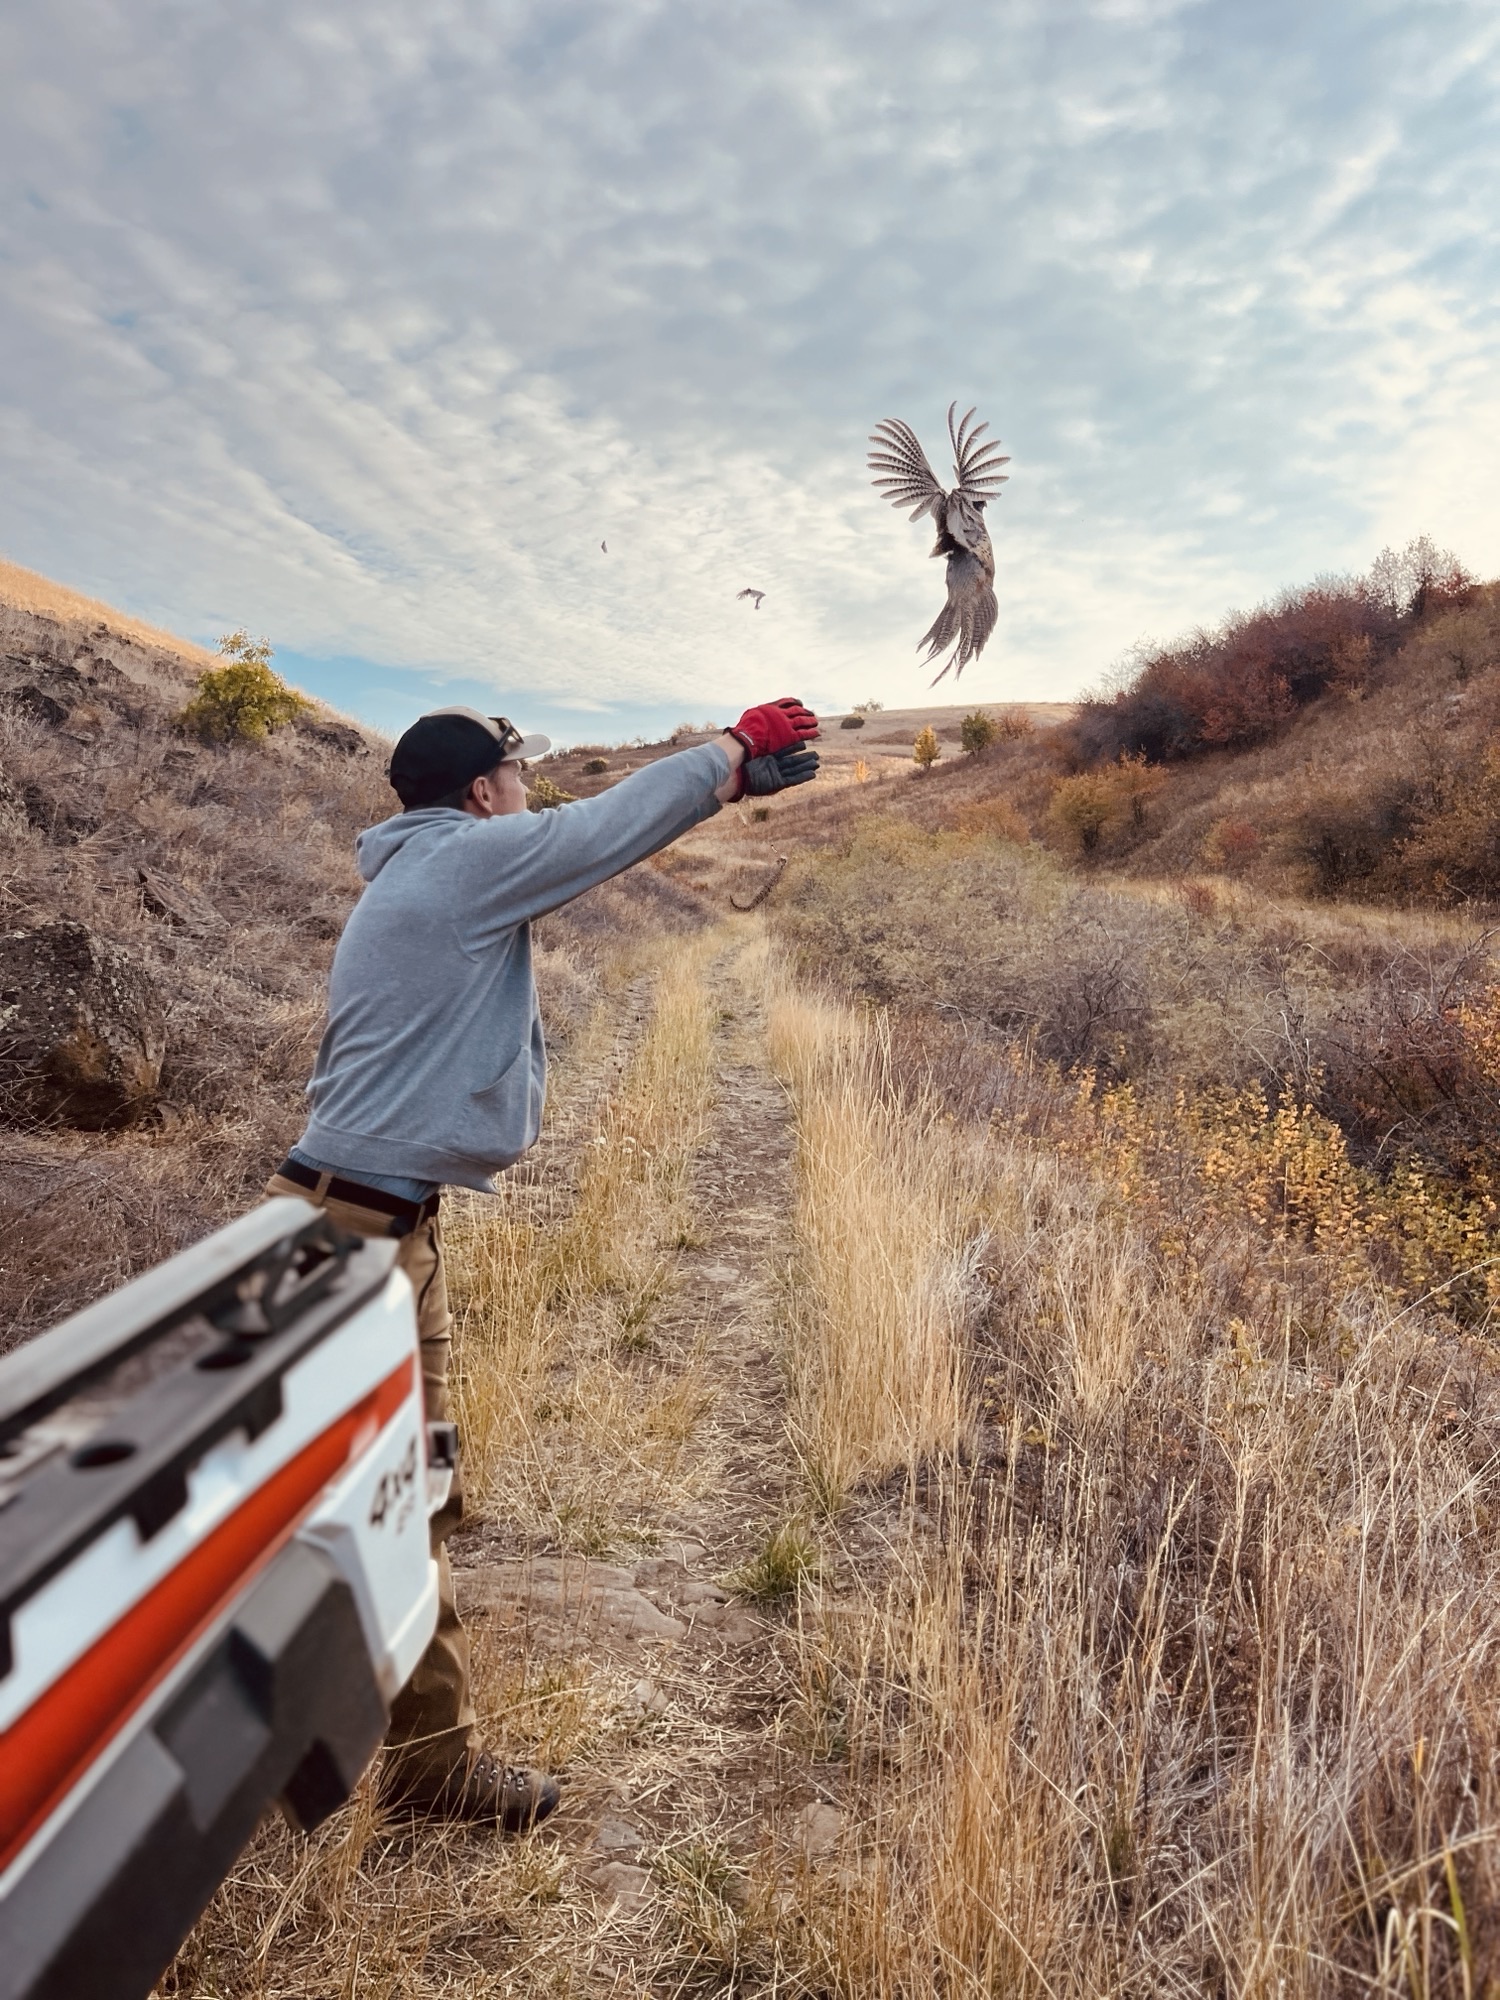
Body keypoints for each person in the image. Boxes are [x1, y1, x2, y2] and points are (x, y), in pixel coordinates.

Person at [265, 697, 820, 1830]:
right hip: (348, 1239)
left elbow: (580, 824)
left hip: (379, 1225)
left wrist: (721, 791)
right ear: (481, 793)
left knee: (409, 1498)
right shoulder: (461, 866)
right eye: (518, 775)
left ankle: (428, 1763)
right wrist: (726, 749)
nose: (529, 792)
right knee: (307, 1513)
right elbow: (598, 829)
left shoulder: (427, 866)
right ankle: (218, 1768)